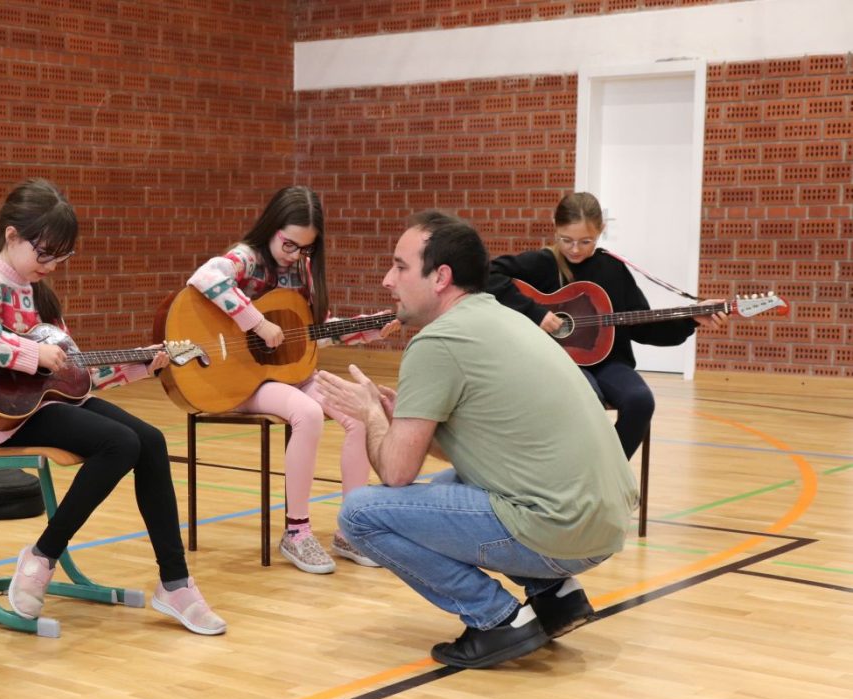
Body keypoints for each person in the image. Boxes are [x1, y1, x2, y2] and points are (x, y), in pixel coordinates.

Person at [317, 211, 638, 669]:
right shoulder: (505, 319)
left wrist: (370, 415)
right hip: (603, 522)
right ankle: (555, 596)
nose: (388, 280)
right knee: (452, 480)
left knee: (361, 514)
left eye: (400, 266)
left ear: (441, 277)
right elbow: (488, 448)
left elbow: (394, 472)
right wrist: (401, 422)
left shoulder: (438, 343)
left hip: (562, 532)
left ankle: (498, 619)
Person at [0, 178, 226, 636]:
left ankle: (175, 581)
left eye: (59, 257)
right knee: (119, 442)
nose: (50, 266)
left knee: (149, 441)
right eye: (43, 253)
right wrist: (31, 355)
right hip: (10, 417)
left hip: (50, 405)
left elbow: (74, 378)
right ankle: (43, 554)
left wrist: (140, 366)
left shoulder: (40, 295)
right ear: (12, 236)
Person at [185, 185, 400, 574]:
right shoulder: (247, 259)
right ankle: (296, 532)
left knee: (359, 413)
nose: (295, 254)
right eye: (288, 244)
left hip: (289, 374)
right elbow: (204, 277)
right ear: (271, 228)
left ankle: (350, 530)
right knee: (308, 414)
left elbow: (312, 332)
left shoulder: (303, 271)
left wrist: (368, 330)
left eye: (305, 249)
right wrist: (256, 322)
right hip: (240, 379)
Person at [486, 191, 727, 459]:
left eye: (585, 241)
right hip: (559, 362)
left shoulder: (612, 269)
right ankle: (580, 475)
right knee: (585, 396)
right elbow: (485, 275)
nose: (575, 249)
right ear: (555, 227)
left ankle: (609, 477)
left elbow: (642, 326)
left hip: (610, 363)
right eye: (566, 240)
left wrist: (691, 319)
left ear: (601, 231)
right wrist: (536, 313)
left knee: (640, 401)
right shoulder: (542, 264)